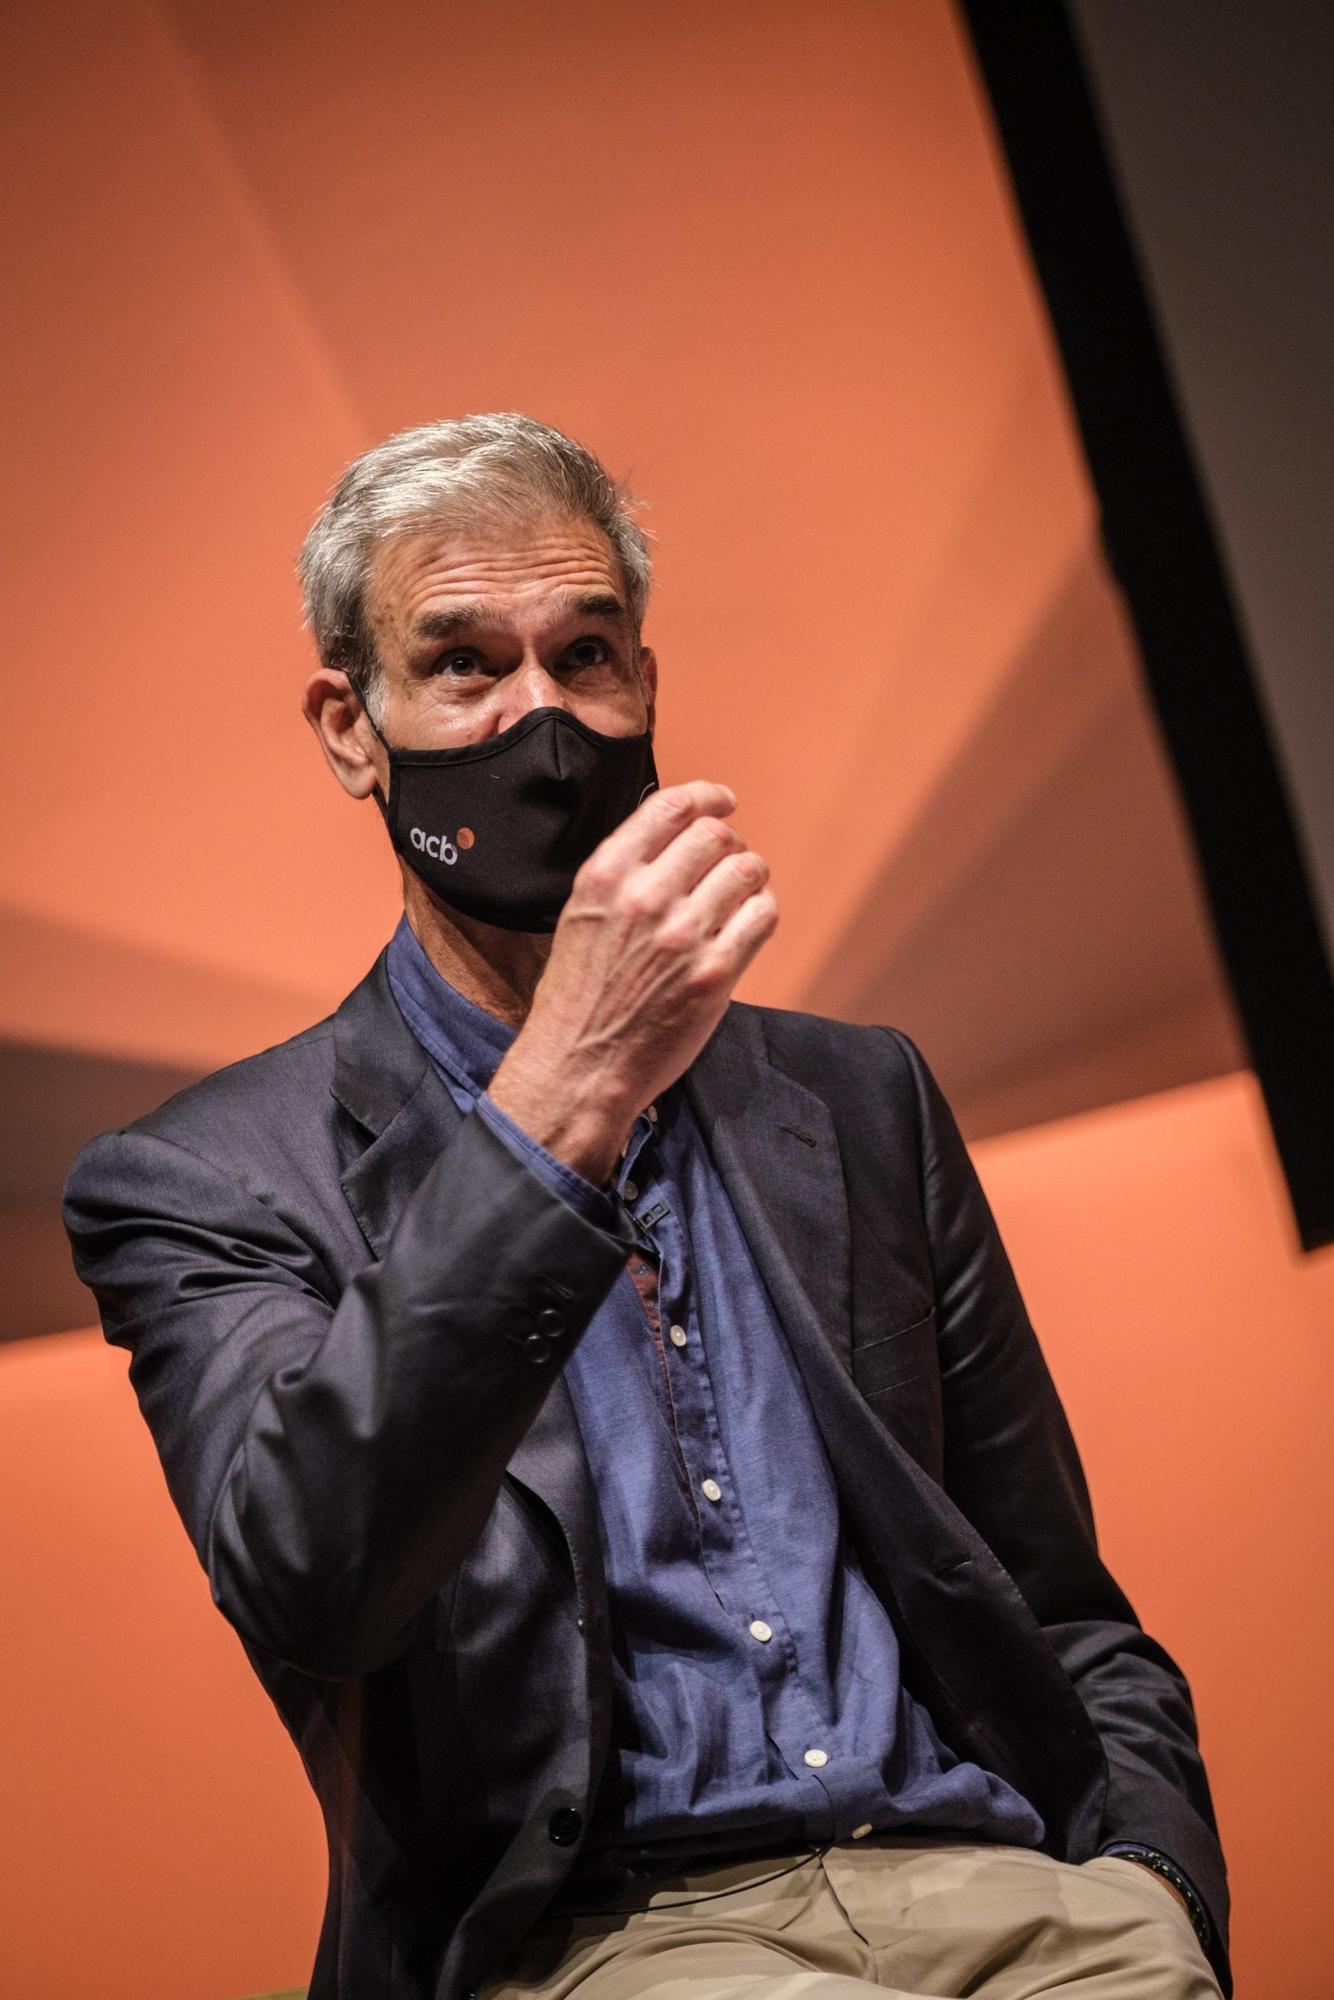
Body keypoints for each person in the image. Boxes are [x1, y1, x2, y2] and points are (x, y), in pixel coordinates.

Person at [63, 415, 1229, 2000]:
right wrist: (557, 1109)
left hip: (1012, 1893)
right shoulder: (202, 1181)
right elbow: (317, 1583)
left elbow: (1053, 1603)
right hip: (610, 1939)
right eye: (464, 664)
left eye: (586, 653)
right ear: (353, 728)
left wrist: (1148, 1881)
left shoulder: (856, 1096)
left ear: (645, 685)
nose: (542, 715)